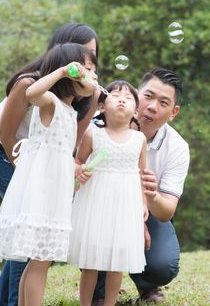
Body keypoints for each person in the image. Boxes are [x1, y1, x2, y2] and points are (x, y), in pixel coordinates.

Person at [0, 23, 99, 306]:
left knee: (35, 251)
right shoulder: (34, 88)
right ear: (65, 59)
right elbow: (9, 136)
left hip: (49, 173)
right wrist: (29, 179)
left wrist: (71, 170)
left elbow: (70, 145)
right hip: (7, 150)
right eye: (84, 64)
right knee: (29, 241)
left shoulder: (74, 105)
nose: (92, 73)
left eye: (94, 62)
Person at [92, 68, 190, 304]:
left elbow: (167, 211)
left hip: (148, 212)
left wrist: (152, 196)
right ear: (137, 95)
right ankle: (99, 290)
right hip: (101, 205)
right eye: (148, 96)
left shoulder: (177, 147)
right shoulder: (99, 126)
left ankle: (148, 285)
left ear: (173, 112)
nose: (152, 107)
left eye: (163, 102)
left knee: (162, 265)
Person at [68, 80, 148, 306]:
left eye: (128, 97)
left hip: (125, 204)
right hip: (95, 202)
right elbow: (78, 160)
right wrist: (79, 170)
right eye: (114, 95)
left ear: (136, 111)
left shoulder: (139, 139)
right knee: (91, 261)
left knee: (117, 263)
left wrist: (143, 203)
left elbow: (142, 174)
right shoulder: (94, 134)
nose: (121, 99)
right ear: (102, 107)